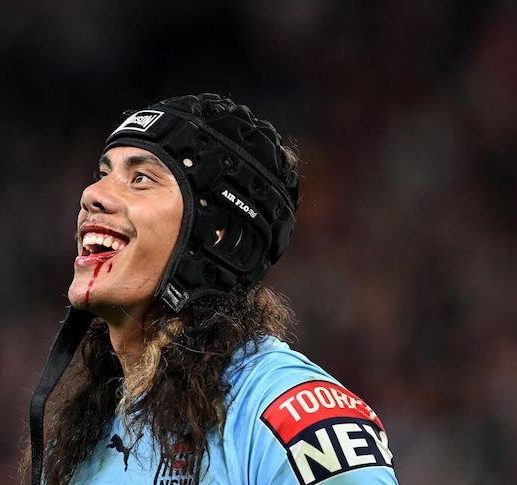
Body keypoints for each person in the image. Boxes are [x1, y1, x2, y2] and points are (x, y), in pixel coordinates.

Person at [23, 93, 399, 484]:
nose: (92, 195)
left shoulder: (287, 412)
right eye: (103, 174)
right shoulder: (78, 441)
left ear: (216, 236)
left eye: (140, 179)